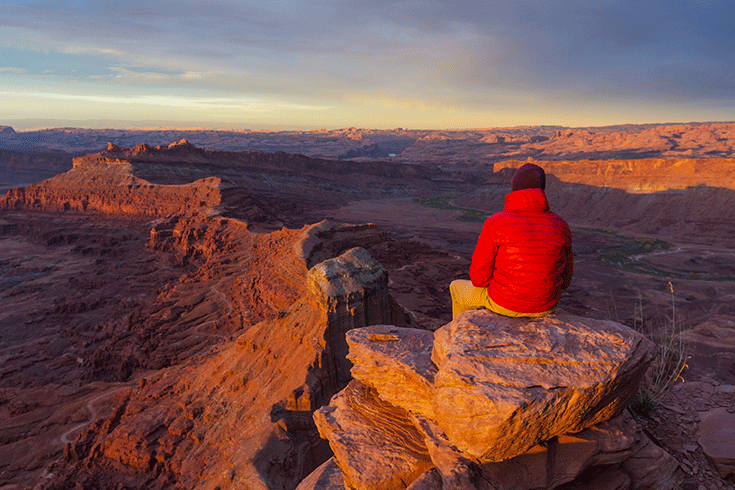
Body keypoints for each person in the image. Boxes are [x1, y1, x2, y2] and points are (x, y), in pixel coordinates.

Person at [450, 163, 573, 318]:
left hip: (504, 304)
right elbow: (566, 280)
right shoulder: (561, 225)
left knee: (455, 288)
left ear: (514, 188)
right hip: (546, 307)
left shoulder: (495, 223)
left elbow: (478, 279)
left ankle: (461, 338)